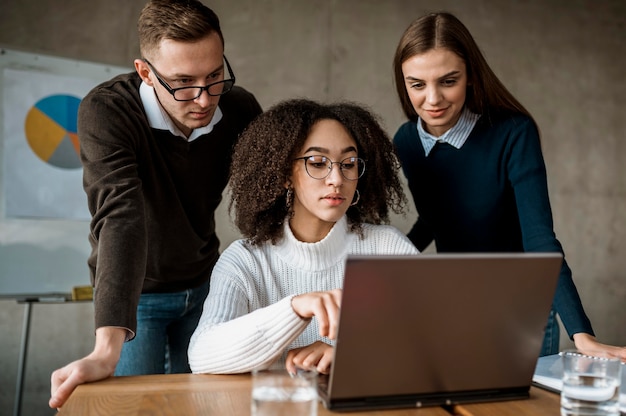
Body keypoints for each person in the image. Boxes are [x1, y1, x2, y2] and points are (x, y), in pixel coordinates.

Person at [49, 0, 262, 408]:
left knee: (205, 406)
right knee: (134, 408)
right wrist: (105, 348)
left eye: (215, 75)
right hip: (137, 297)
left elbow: (270, 198)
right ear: (145, 72)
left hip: (206, 286)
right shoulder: (107, 110)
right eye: (183, 82)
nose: (203, 98)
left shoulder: (239, 109)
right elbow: (120, 216)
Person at [392, 12, 626, 360]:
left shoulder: (513, 133)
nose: (433, 99)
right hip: (454, 307)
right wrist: (381, 267)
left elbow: (539, 239)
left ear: (470, 76)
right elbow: (435, 218)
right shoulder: (407, 142)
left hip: (520, 311)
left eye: (448, 81)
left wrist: (581, 333)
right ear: (404, 83)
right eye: (417, 84)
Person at [187, 98, 418, 375]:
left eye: (349, 163)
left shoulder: (387, 249)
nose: (337, 178)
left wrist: (350, 356)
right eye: (318, 163)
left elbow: (439, 341)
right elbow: (202, 355)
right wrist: (294, 309)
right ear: (285, 174)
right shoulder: (245, 260)